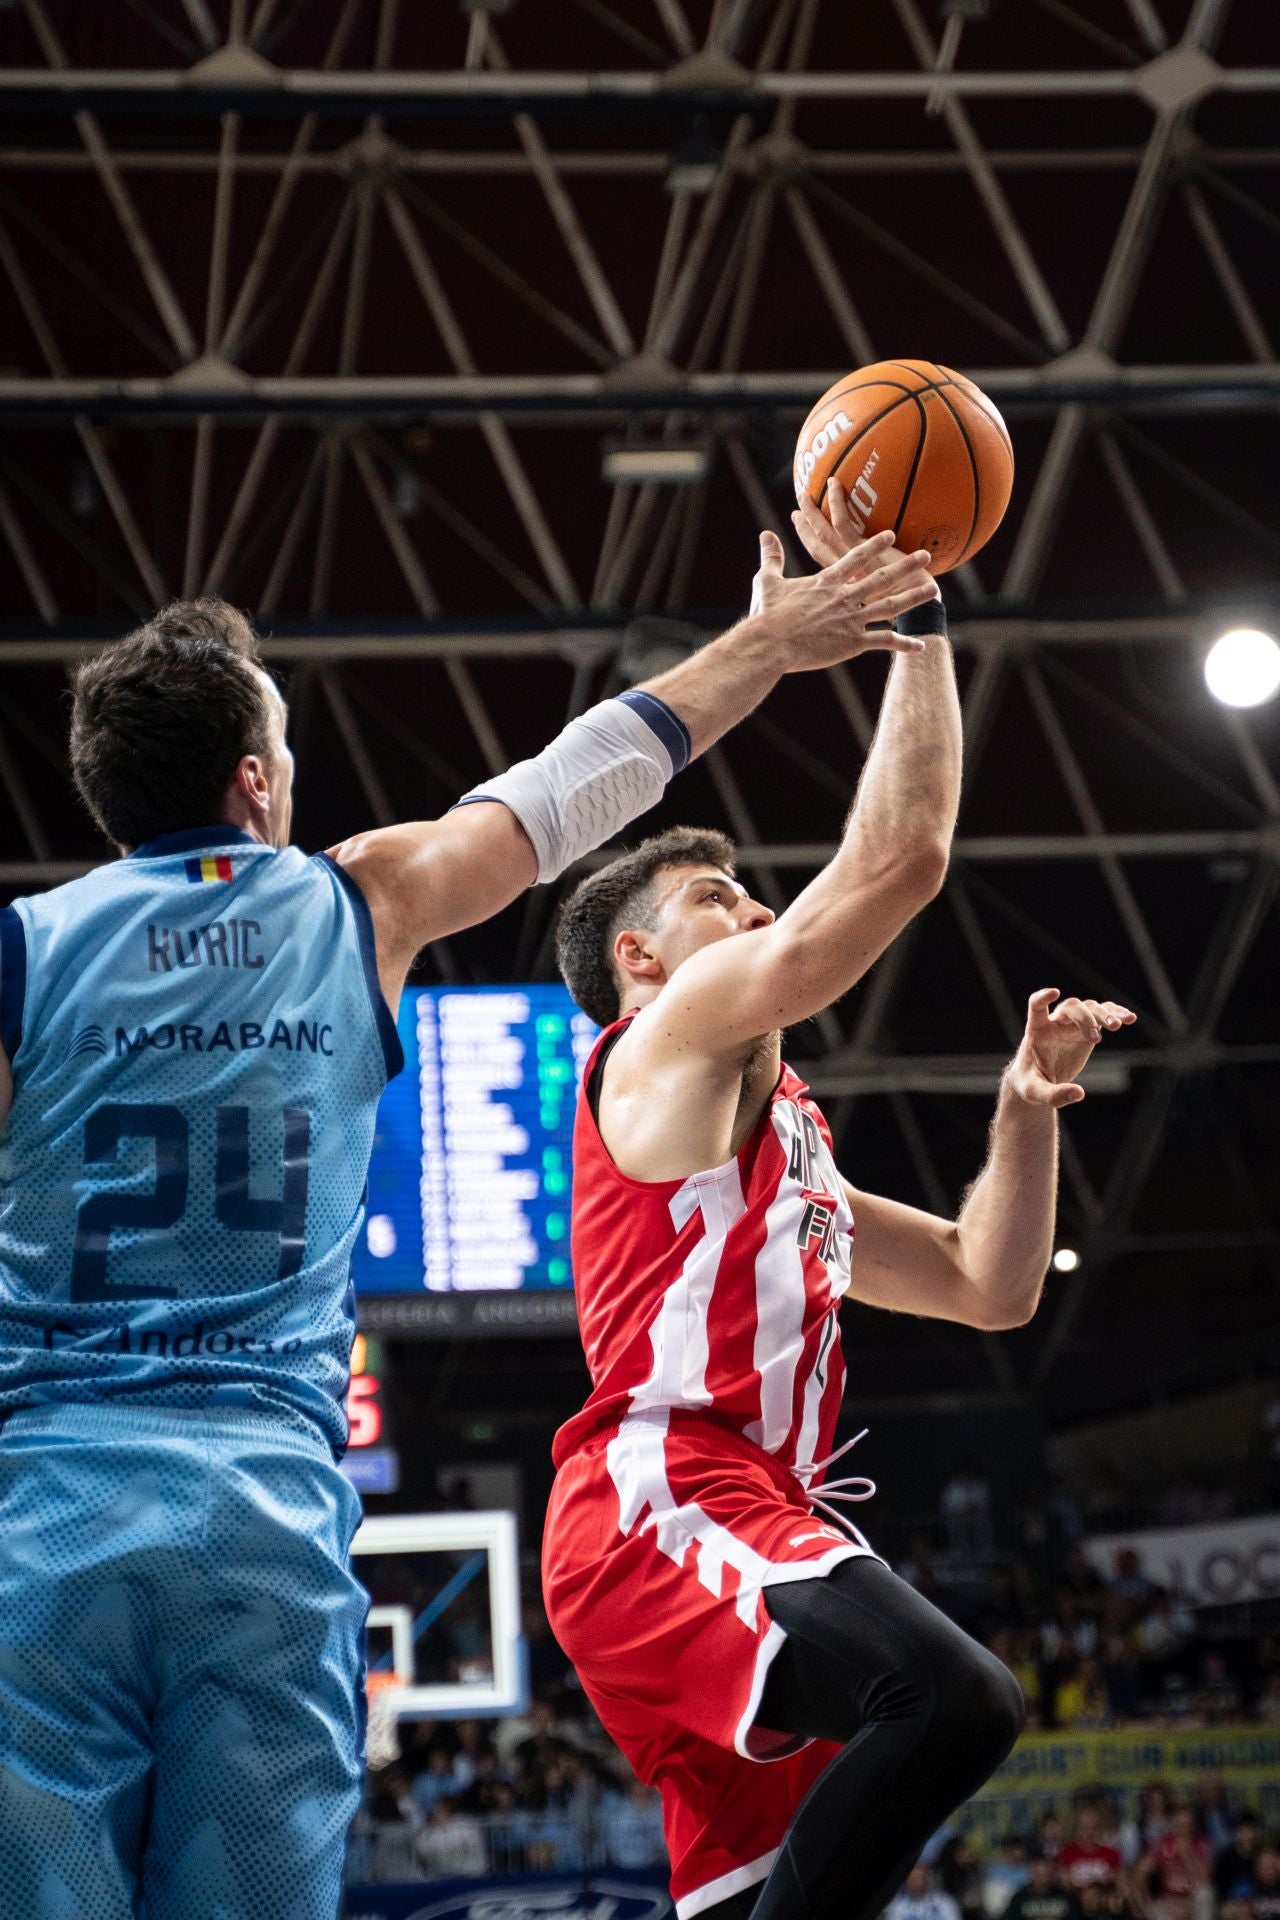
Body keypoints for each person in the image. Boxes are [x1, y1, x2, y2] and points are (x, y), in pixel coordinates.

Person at [0, 535, 921, 1918]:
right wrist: (770, 647)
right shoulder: (352, 898)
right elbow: (574, 782)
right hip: (260, 1508)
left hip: (48, 1503)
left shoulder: (27, 950)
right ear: (255, 782)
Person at [541, 480, 1137, 1920]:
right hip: (658, 1499)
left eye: (752, 899)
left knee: (775, 1892)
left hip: (744, 1509)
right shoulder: (663, 1044)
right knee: (958, 1702)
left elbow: (991, 1289)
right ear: (637, 961)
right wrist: (918, 621)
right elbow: (897, 866)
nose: (754, 915)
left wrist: (1019, 1113)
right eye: (719, 905)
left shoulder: (778, 1151)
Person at [1004, 1851, 1084, 1920]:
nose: (1041, 1879)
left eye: (1045, 1874)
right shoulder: (1020, 1898)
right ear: (1031, 1874)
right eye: (1038, 1874)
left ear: (1051, 1875)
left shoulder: (1066, 1898)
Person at [888, 1862, 964, 1920]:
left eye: (921, 1877)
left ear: (927, 1878)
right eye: (913, 1878)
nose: (917, 1881)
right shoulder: (898, 1905)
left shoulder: (945, 1902)